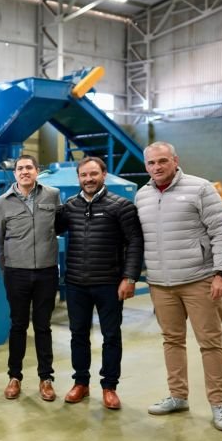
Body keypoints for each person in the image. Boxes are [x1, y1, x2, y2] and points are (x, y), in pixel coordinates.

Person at [135, 141, 222, 432]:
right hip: (160, 283)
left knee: (210, 343)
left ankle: (219, 404)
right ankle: (178, 396)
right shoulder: (142, 196)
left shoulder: (200, 188)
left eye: (162, 161)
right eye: (151, 163)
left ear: (175, 160)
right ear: (146, 166)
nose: (157, 167)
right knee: (172, 341)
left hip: (199, 280)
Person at [55, 157, 143, 410]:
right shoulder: (70, 207)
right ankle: (81, 383)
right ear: (78, 178)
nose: (88, 179)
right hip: (76, 283)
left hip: (109, 283)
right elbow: (52, 228)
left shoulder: (121, 206)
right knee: (78, 335)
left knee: (111, 336)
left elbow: (135, 243)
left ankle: (109, 387)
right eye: (84, 175)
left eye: (93, 174)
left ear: (104, 174)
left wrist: (129, 277)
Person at [0, 154, 61, 401]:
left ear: (37, 170)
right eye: (20, 168)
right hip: (16, 272)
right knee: (18, 326)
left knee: (43, 326)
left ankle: (46, 378)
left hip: (46, 271)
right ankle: (14, 377)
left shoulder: (52, 195)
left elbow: (58, 227)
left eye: (29, 167)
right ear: (15, 173)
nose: (24, 172)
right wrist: (7, 271)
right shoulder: (1, 203)